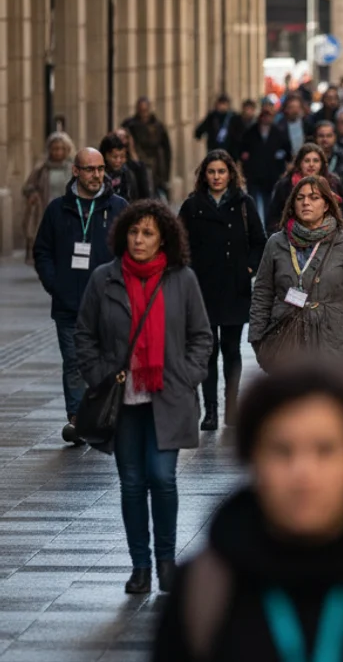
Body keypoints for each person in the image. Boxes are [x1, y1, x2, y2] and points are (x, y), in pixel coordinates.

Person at [151, 370, 343, 662]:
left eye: (325, 450)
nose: (303, 474)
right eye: (282, 451)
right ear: (252, 458)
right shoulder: (205, 586)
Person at [75, 200, 214, 593]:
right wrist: (100, 374)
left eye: (148, 233)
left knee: (162, 477)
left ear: (163, 238)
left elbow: (201, 336)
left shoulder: (181, 279)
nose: (139, 239)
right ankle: (140, 566)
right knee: (132, 483)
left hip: (168, 398)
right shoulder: (104, 279)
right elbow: (84, 335)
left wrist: (187, 375)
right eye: (134, 232)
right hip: (123, 402)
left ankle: (166, 561)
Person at [34, 147, 128, 445]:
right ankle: (77, 419)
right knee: (74, 363)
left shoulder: (118, 207)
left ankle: (104, 415)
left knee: (108, 362)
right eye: (89, 169)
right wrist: (55, 285)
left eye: (100, 169)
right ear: (76, 171)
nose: (96, 175)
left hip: (109, 302)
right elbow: (42, 251)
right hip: (69, 304)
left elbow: (133, 249)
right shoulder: (57, 209)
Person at [249, 175, 343, 378]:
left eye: (313, 197)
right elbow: (262, 293)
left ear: (327, 204)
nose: (306, 202)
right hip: (287, 337)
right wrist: (258, 340)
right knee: (291, 406)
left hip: (334, 339)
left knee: (334, 406)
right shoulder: (276, 243)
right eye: (299, 198)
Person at [179, 150, 266, 430]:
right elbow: (179, 243)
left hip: (234, 287)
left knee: (231, 349)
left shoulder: (243, 203)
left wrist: (250, 269)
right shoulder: (193, 206)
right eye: (211, 172)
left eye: (221, 172)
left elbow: (259, 240)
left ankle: (232, 406)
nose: (216, 177)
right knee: (207, 350)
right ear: (204, 175)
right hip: (202, 288)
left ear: (230, 174)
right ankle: (211, 411)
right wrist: (187, 273)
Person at [265, 143, 343, 233]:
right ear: (299, 163)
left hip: (330, 237)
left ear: (322, 164)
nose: (311, 164)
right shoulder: (285, 186)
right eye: (307, 161)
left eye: (315, 161)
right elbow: (273, 218)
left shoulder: (333, 184)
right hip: (291, 238)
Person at [22, 132, 76, 265]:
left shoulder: (73, 168)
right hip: (46, 209)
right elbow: (28, 186)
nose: (58, 152)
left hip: (67, 209)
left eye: (61, 149)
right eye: (55, 149)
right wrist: (33, 193)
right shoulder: (42, 169)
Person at [238, 105, 292, 227]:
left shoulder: (278, 132)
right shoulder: (250, 132)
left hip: (272, 175)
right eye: (264, 115)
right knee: (253, 203)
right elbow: (242, 150)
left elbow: (287, 151)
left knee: (270, 204)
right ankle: (255, 226)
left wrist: (283, 164)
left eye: (269, 116)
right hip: (254, 174)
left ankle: (268, 227)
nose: (266, 118)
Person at [122, 97, 172, 199]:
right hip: (136, 163)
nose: (143, 113)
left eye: (145, 110)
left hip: (155, 166)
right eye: (141, 110)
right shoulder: (130, 125)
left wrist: (165, 174)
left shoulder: (158, 126)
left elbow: (166, 150)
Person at [99, 133, 145, 202]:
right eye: (114, 157)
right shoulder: (99, 174)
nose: (118, 160)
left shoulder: (126, 173)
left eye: (122, 157)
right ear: (105, 155)